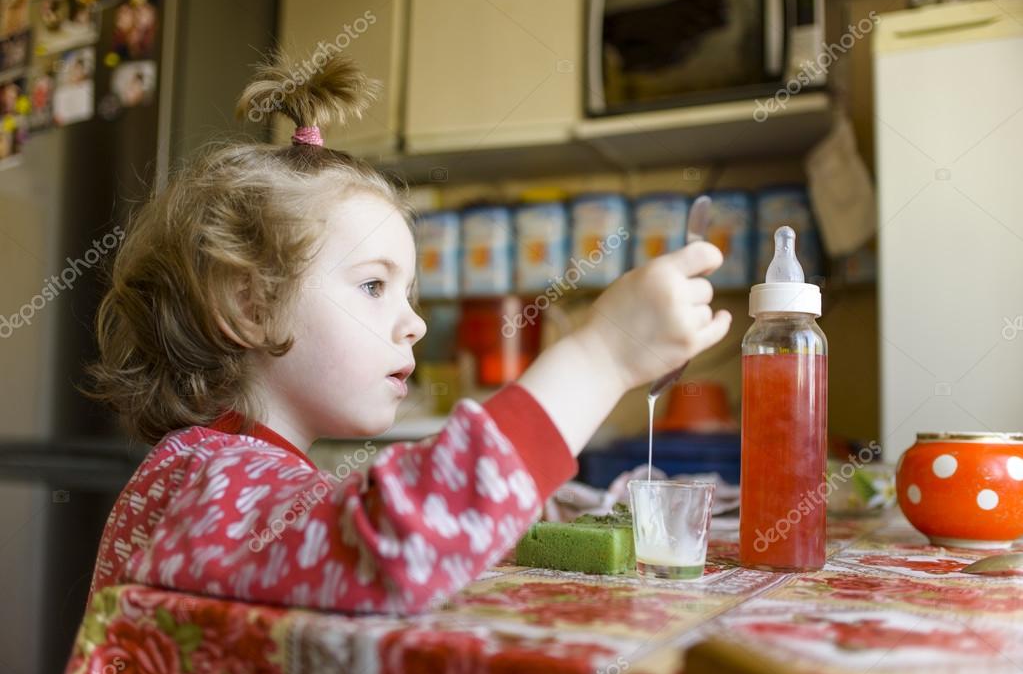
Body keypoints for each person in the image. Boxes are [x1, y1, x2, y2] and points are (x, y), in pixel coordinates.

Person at [75, 51, 730, 620]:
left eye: (408, 292)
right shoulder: (205, 478)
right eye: (372, 285)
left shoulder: (239, 470)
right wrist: (603, 352)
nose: (414, 321)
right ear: (250, 305)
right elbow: (402, 537)